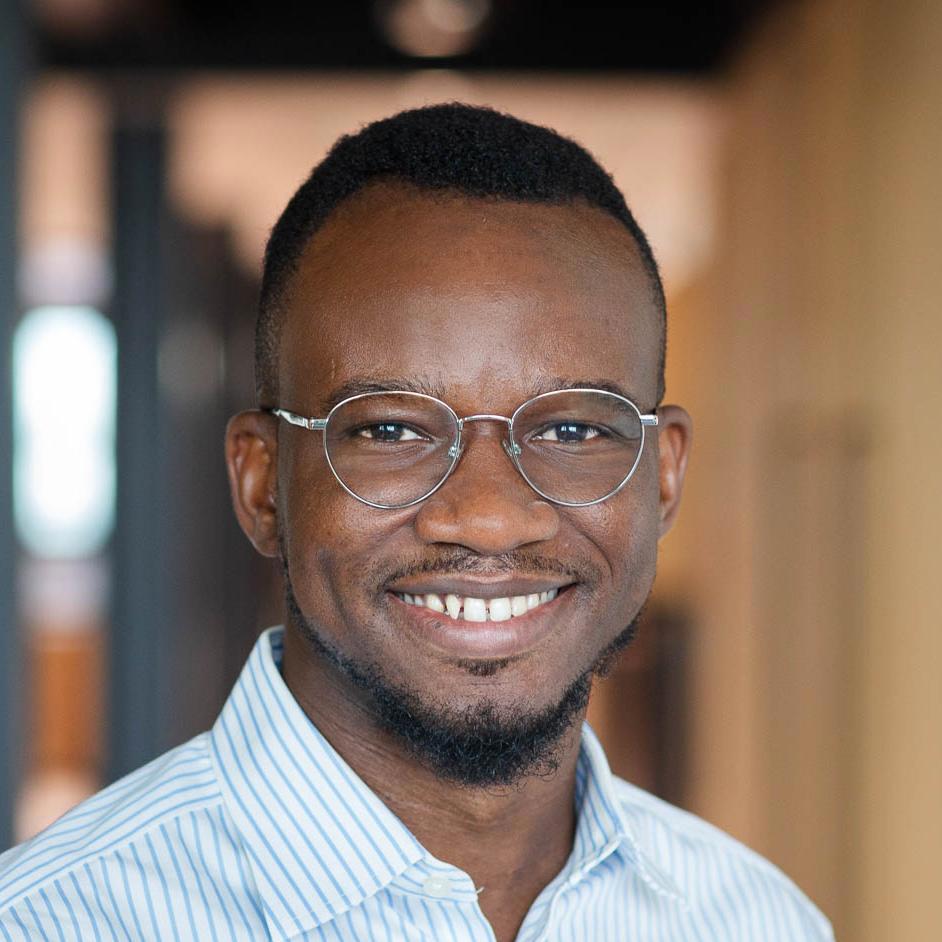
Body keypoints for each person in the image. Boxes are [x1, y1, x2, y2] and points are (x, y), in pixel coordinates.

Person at [0, 103, 833, 941]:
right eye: (391, 429)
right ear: (262, 484)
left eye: (572, 430)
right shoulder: (54, 921)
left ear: (663, 475)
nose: (489, 518)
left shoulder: (760, 921)